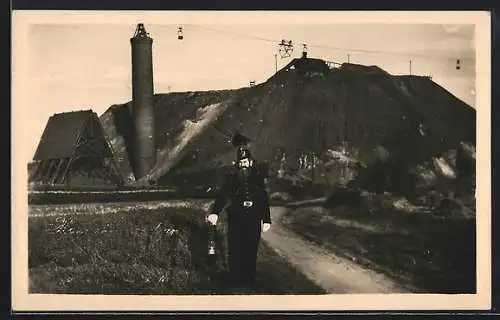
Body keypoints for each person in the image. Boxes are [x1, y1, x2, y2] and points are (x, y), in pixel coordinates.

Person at [206, 145, 271, 288]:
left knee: (251, 247)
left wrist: (266, 219)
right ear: (238, 163)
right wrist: (215, 212)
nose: (244, 165)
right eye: (241, 162)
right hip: (237, 218)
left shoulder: (258, 179)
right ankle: (235, 277)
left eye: (246, 161)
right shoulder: (232, 179)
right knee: (235, 247)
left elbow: (263, 199)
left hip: (253, 218)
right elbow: (223, 196)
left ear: (251, 162)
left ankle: (249, 277)